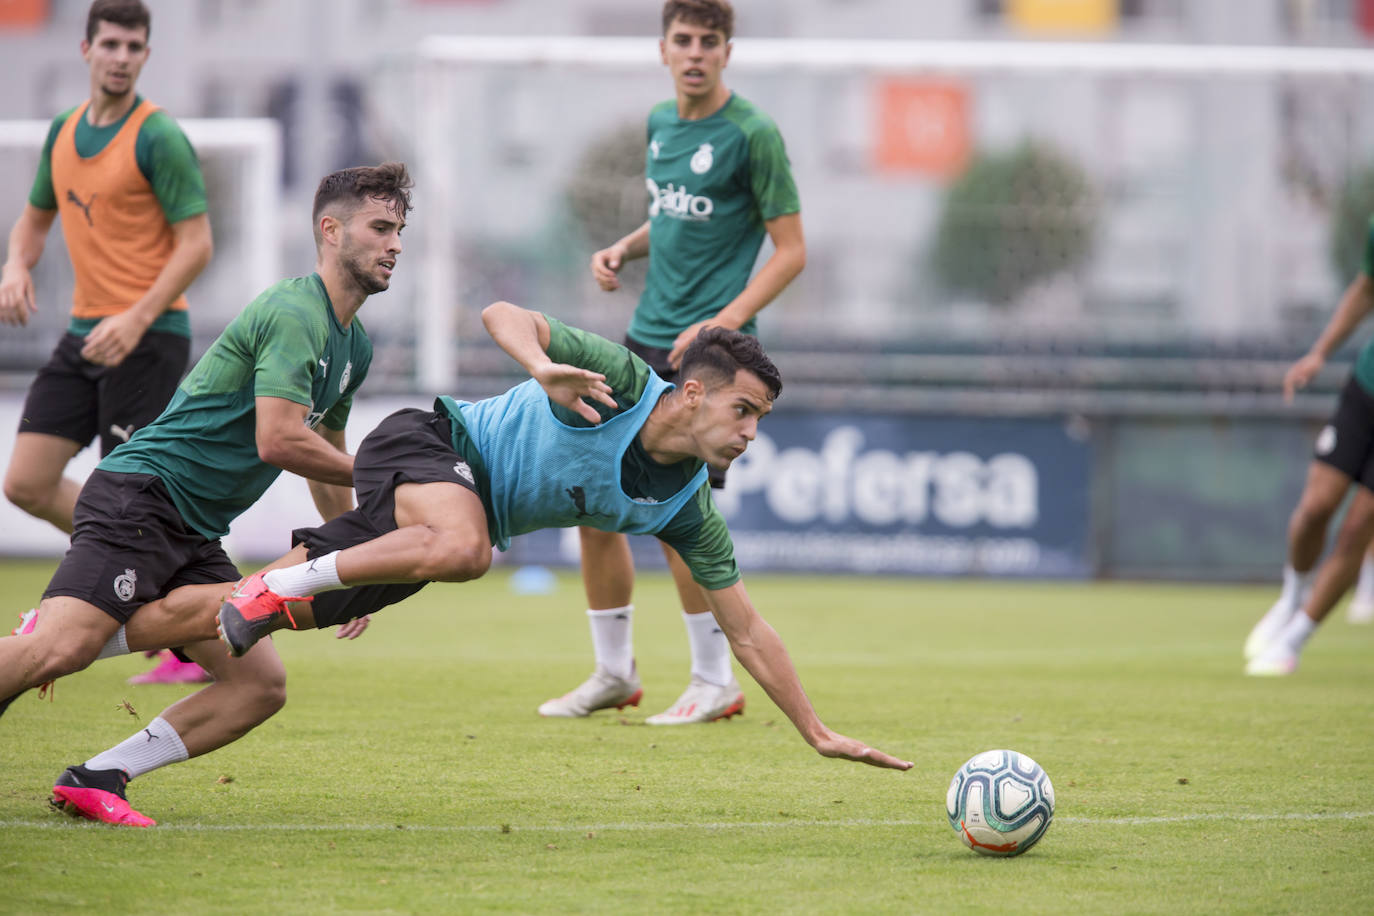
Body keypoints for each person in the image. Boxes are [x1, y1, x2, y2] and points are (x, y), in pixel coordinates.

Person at [24, 303, 908, 826]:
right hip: (430, 444)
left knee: (252, 674)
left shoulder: (687, 509)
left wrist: (816, 729)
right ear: (694, 393)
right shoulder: (620, 386)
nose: (750, 436)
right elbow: (503, 317)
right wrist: (538, 366)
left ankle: (94, 745)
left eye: (760, 421)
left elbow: (746, 628)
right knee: (468, 551)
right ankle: (273, 585)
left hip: (430, 525)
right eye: (745, 413)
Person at [0, 162, 412, 825]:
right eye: (381, 228)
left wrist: (352, 555)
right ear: (331, 231)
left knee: (259, 685)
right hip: (143, 497)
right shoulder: (294, 312)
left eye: (400, 230)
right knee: (61, 649)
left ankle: (98, 774)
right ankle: (54, 631)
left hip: (191, 528)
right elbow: (278, 440)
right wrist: (385, 475)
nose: (396, 244)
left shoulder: (354, 345)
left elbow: (323, 457)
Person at [546, 0, 807, 725]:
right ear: (663, 49)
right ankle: (611, 671)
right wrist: (623, 249)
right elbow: (673, 214)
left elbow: (792, 251)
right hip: (643, 340)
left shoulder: (753, 134)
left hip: (710, 359)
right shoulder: (663, 125)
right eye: (683, 40)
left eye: (709, 42)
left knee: (675, 514)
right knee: (591, 499)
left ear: (727, 52)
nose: (694, 52)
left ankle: (714, 678)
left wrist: (722, 322)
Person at [0, 0, 216, 685]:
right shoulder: (63, 132)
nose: (123, 56)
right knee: (27, 483)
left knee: (126, 503)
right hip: (84, 334)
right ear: (87, 49)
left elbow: (197, 244)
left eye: (135, 46)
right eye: (112, 44)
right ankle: (150, 578)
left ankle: (182, 642)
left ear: (145, 55)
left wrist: (137, 315)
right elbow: (33, 221)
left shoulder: (158, 137)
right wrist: (15, 265)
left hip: (149, 339)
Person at [1246, 215, 1374, 675]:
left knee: (1358, 529)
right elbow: (1366, 287)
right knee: (1317, 507)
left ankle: (1294, 641)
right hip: (1367, 389)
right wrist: (1320, 352)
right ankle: (1291, 597)